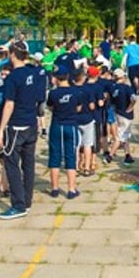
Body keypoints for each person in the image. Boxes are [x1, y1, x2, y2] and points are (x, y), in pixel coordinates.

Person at [0, 40, 46, 220]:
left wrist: (0, 129)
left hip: (16, 125)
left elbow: (9, 104)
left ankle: (18, 205)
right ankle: (27, 200)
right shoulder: (34, 73)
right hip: (31, 123)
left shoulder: (13, 78)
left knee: (11, 164)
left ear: (11, 55)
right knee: (29, 163)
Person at [46, 65, 82, 199]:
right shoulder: (76, 92)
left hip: (56, 124)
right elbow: (78, 108)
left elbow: (50, 107)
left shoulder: (53, 93)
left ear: (56, 78)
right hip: (71, 125)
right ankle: (71, 189)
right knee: (70, 156)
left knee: (54, 156)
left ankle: (54, 188)